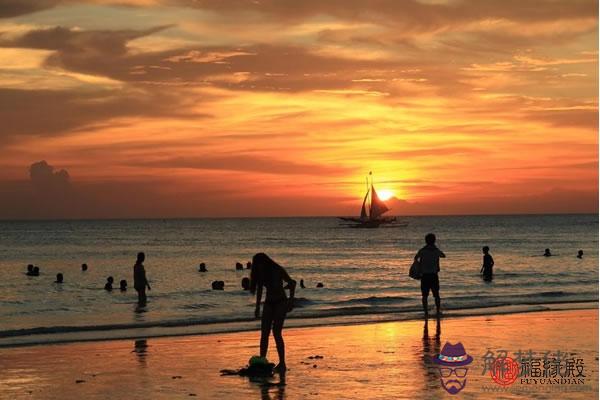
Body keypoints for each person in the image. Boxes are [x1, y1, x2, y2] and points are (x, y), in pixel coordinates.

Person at [251, 253, 296, 373]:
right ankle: (262, 360)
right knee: (264, 333)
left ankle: (282, 363)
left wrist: (291, 301)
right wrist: (257, 307)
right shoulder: (261, 273)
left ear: (264, 262)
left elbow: (292, 283)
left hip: (281, 302)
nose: (258, 266)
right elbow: (260, 290)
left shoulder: (277, 269)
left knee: (276, 332)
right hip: (268, 303)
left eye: (259, 264)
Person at [414, 233, 445, 318]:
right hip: (434, 275)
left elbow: (416, 257)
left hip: (425, 276)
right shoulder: (436, 251)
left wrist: (419, 266)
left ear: (426, 241)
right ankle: (438, 311)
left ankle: (426, 312)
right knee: (436, 295)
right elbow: (443, 255)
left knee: (424, 295)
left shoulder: (422, 250)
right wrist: (435, 249)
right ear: (434, 241)